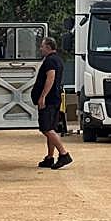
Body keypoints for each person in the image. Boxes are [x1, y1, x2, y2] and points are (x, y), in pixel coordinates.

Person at [33, 36, 72, 170]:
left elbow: (50, 78)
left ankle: (64, 154)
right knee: (51, 128)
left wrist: (42, 97)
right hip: (55, 99)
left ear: (48, 47)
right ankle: (50, 157)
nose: (40, 48)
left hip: (49, 101)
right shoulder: (58, 60)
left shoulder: (50, 61)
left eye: (42, 46)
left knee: (47, 129)